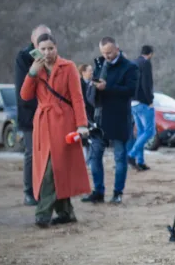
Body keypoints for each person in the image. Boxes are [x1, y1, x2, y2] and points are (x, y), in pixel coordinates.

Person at [20, 33, 92, 227]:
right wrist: (32, 73)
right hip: (43, 124)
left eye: (50, 48)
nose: (47, 52)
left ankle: (42, 214)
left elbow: (77, 98)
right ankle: (66, 213)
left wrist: (82, 124)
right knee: (50, 168)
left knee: (53, 169)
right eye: (43, 49)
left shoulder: (68, 67)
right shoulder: (36, 68)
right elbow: (25, 96)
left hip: (64, 124)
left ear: (56, 47)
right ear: (37, 49)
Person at [83, 37, 139, 205]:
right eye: (103, 53)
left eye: (109, 52)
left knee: (120, 158)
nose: (106, 56)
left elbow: (130, 91)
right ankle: (98, 191)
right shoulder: (99, 65)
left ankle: (117, 193)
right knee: (95, 157)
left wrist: (107, 88)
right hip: (99, 119)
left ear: (117, 49)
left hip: (119, 119)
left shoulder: (130, 67)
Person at [15, 24, 51, 206]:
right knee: (31, 153)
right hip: (30, 114)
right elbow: (23, 90)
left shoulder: (53, 58)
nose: (45, 47)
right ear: (33, 40)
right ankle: (29, 192)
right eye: (41, 41)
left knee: (48, 153)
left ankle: (45, 190)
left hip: (49, 115)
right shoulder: (24, 57)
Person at [128, 44, 155, 172]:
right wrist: (150, 100)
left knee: (141, 132)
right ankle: (132, 155)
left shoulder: (133, 63)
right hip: (143, 102)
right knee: (150, 131)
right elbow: (146, 83)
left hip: (132, 102)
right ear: (150, 54)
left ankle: (140, 162)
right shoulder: (146, 63)